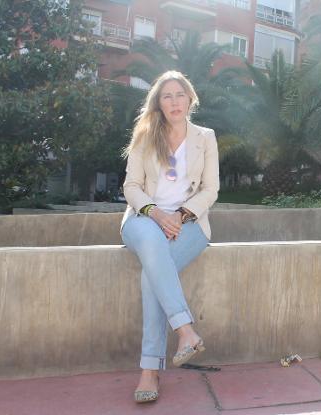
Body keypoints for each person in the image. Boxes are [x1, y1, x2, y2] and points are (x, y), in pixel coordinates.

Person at [120, 70, 219, 403]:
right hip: (143, 219)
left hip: (189, 224)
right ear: (158, 103)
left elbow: (211, 189)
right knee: (152, 242)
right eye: (167, 96)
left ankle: (149, 370)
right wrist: (157, 214)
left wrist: (181, 216)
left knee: (153, 276)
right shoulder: (145, 135)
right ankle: (185, 330)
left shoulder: (205, 137)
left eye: (180, 94)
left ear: (190, 98)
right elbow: (131, 186)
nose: (175, 101)